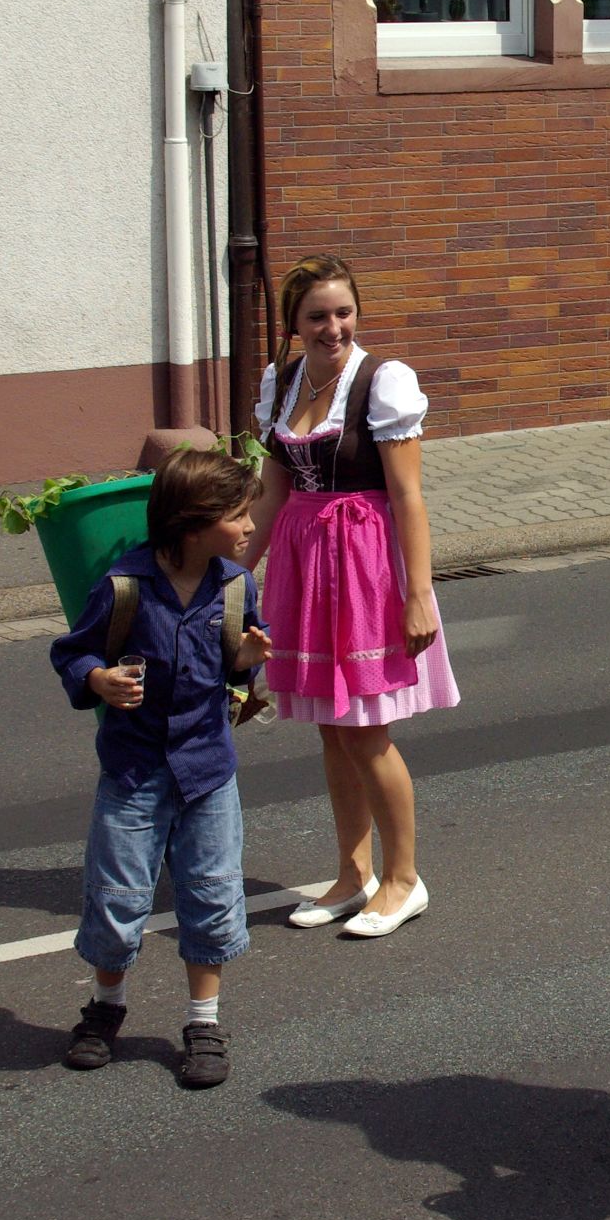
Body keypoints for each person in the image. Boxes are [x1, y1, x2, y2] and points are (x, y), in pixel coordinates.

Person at [246, 255, 460, 938]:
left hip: (367, 564)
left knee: (366, 732)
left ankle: (404, 878)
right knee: (332, 734)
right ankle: (352, 872)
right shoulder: (280, 382)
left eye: (343, 312)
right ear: (294, 324)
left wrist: (419, 594)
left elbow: (408, 494)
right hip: (306, 564)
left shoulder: (382, 381)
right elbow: (273, 492)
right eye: (317, 316)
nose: (333, 327)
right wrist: (233, 573)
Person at [50, 448, 273, 1089]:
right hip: (133, 772)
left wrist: (246, 658)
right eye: (237, 515)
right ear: (192, 524)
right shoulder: (125, 587)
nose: (249, 526)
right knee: (118, 898)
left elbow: (234, 668)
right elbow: (73, 652)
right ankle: (106, 1007)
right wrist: (98, 677)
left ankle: (203, 1022)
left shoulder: (235, 587)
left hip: (207, 772)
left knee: (211, 894)